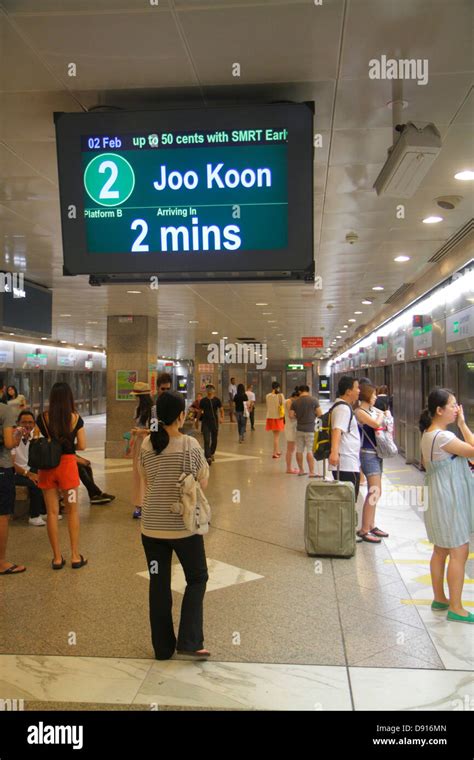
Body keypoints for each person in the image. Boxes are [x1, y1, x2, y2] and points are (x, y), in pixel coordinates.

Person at [139, 391, 210, 659]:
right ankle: (190, 641)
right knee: (197, 577)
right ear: (181, 415)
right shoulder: (189, 444)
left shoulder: (147, 443)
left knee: (158, 584)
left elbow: (145, 478)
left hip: (151, 527)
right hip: (183, 527)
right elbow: (202, 480)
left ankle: (163, 648)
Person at [419, 389, 474, 623]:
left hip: (438, 496)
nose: (456, 409)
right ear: (439, 410)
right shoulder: (443, 437)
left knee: (440, 549)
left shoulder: (428, 434)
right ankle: (456, 607)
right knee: (459, 550)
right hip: (449, 498)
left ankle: (440, 598)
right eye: (452, 406)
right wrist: (463, 425)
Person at [35, 382, 87, 570]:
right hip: (67, 468)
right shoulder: (75, 418)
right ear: (69, 398)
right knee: (72, 510)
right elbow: (82, 445)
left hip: (47, 468)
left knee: (52, 512)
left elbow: (35, 440)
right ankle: (74, 556)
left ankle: (57, 558)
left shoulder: (42, 418)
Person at [328, 376, 362, 541]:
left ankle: (345, 530)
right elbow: (337, 430)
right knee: (347, 499)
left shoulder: (344, 406)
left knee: (348, 498)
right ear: (349, 391)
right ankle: (345, 533)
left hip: (349, 461)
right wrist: (334, 453)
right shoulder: (343, 408)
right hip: (345, 462)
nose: (359, 391)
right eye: (357, 388)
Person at [354, 382, 389, 543]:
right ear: (367, 395)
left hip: (376, 453)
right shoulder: (360, 412)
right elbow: (375, 424)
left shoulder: (371, 410)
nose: (375, 397)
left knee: (375, 491)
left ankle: (371, 524)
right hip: (367, 454)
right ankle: (364, 529)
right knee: (375, 491)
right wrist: (382, 414)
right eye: (374, 395)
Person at [0, 376, 25, 574]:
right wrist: (16, 437)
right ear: (2, 389)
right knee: (2, 516)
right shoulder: (5, 410)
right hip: (2, 468)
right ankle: (1, 562)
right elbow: (9, 443)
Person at [12, 410, 48, 526]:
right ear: (18, 423)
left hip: (29, 469)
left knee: (45, 477)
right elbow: (12, 464)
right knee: (35, 484)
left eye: (30, 422)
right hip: (14, 473)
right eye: (24, 422)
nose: (27, 425)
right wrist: (28, 474)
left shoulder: (36, 436)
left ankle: (43, 511)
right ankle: (34, 516)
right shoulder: (12, 438)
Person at [130, 382, 155, 519]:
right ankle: (138, 504)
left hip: (148, 444)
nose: (136, 398)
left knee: (147, 474)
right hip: (138, 444)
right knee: (137, 474)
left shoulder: (154, 410)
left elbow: (156, 430)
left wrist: (143, 431)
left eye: (138, 396)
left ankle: (147, 504)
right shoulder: (137, 409)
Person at [290, 385, 323, 477]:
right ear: (308, 391)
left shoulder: (295, 402)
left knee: (299, 450)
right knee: (309, 450)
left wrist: (299, 417)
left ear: (300, 391)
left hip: (299, 429)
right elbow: (320, 414)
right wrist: (313, 416)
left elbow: (291, 415)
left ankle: (301, 470)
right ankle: (311, 472)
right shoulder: (314, 400)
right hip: (310, 429)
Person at [199, 384, 224, 465]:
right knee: (206, 440)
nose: (209, 390)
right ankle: (208, 457)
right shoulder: (203, 401)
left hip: (214, 422)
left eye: (211, 388)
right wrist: (196, 421)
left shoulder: (217, 400)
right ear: (206, 391)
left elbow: (221, 410)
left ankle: (212, 453)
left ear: (214, 390)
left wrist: (222, 417)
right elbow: (200, 411)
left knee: (214, 440)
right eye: (208, 389)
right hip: (205, 422)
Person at [265, 381, 285, 459]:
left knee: (275, 436)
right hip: (278, 417)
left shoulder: (267, 396)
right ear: (278, 387)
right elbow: (283, 405)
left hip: (270, 417)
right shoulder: (280, 395)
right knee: (276, 437)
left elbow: (268, 405)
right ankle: (274, 453)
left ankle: (277, 451)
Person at [284, 390, 300, 474]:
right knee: (290, 449)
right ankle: (289, 468)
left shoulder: (288, 401)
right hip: (291, 428)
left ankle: (289, 467)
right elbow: (291, 415)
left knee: (291, 448)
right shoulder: (289, 402)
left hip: (291, 427)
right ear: (295, 396)